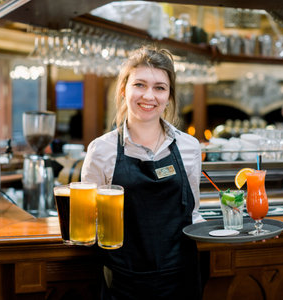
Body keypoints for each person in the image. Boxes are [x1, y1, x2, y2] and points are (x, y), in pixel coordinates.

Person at [81, 46, 203, 300]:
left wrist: (235, 231)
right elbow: (89, 222)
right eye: (140, 84)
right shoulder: (101, 150)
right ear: (124, 89)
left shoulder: (189, 147)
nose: (149, 95)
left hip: (181, 280)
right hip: (123, 284)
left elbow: (192, 213)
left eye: (160, 87)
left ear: (169, 96)